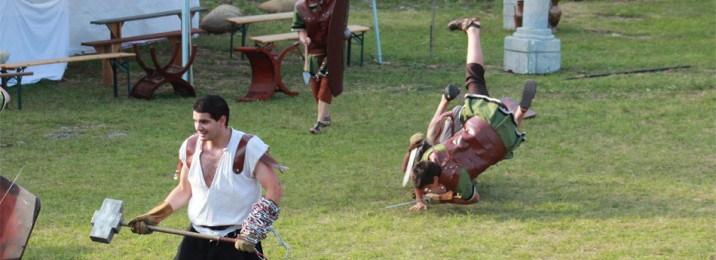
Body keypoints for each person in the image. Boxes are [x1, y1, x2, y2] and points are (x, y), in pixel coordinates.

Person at [403, 18, 538, 211]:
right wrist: (420, 199)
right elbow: (425, 159)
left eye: (426, 189)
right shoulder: (432, 154)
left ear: (434, 179)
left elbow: (473, 198)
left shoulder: (459, 180)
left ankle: (520, 112)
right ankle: (471, 30)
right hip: (483, 121)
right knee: (474, 80)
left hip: (499, 138)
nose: (426, 192)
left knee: (503, 143)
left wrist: (442, 199)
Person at [128, 95, 285, 259]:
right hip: (197, 237)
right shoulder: (190, 146)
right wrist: (155, 216)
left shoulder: (248, 147)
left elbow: (274, 190)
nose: (198, 127)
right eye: (195, 121)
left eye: (204, 122)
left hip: (237, 240)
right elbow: (183, 190)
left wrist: (252, 230)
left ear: (222, 120)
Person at [292, 0, 339, 134]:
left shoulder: (333, 3)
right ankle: (326, 117)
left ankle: (319, 123)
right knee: (316, 87)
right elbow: (300, 28)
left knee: (326, 86)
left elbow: (340, 22)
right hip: (313, 53)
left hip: (332, 53)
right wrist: (304, 38)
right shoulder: (300, 6)